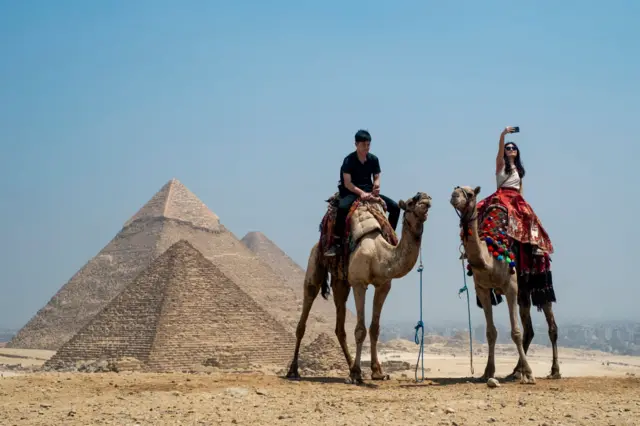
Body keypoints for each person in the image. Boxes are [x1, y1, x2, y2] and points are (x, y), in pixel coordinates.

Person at [324, 129, 400, 257]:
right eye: (364, 144)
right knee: (342, 208)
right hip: (351, 191)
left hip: (369, 191)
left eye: (368, 144)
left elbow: (377, 176)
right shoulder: (348, 160)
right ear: (356, 144)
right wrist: (361, 193)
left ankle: (389, 238)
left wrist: (377, 184)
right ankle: (336, 243)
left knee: (395, 208)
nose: (366, 147)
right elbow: (348, 183)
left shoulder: (373, 159)